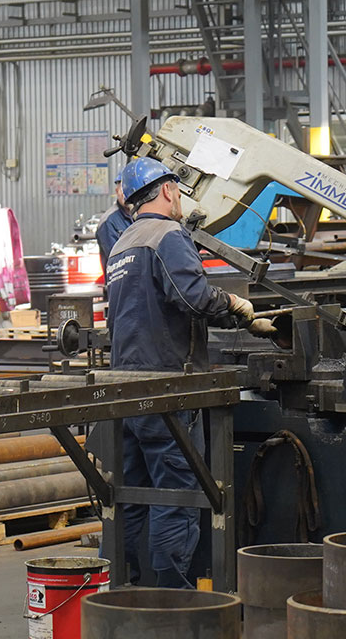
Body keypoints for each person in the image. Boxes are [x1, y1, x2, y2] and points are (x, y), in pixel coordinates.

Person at [105, 157, 274, 588]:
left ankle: (123, 592)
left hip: (124, 389)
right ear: (166, 190)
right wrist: (237, 306)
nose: (180, 198)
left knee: (129, 498)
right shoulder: (168, 234)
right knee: (177, 495)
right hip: (168, 390)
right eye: (178, 190)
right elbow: (192, 297)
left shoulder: (123, 243)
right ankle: (173, 601)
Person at [95, 176, 133, 260]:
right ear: (117, 191)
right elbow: (115, 259)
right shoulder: (108, 221)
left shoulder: (138, 215)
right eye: (123, 190)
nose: (127, 194)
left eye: (130, 189)